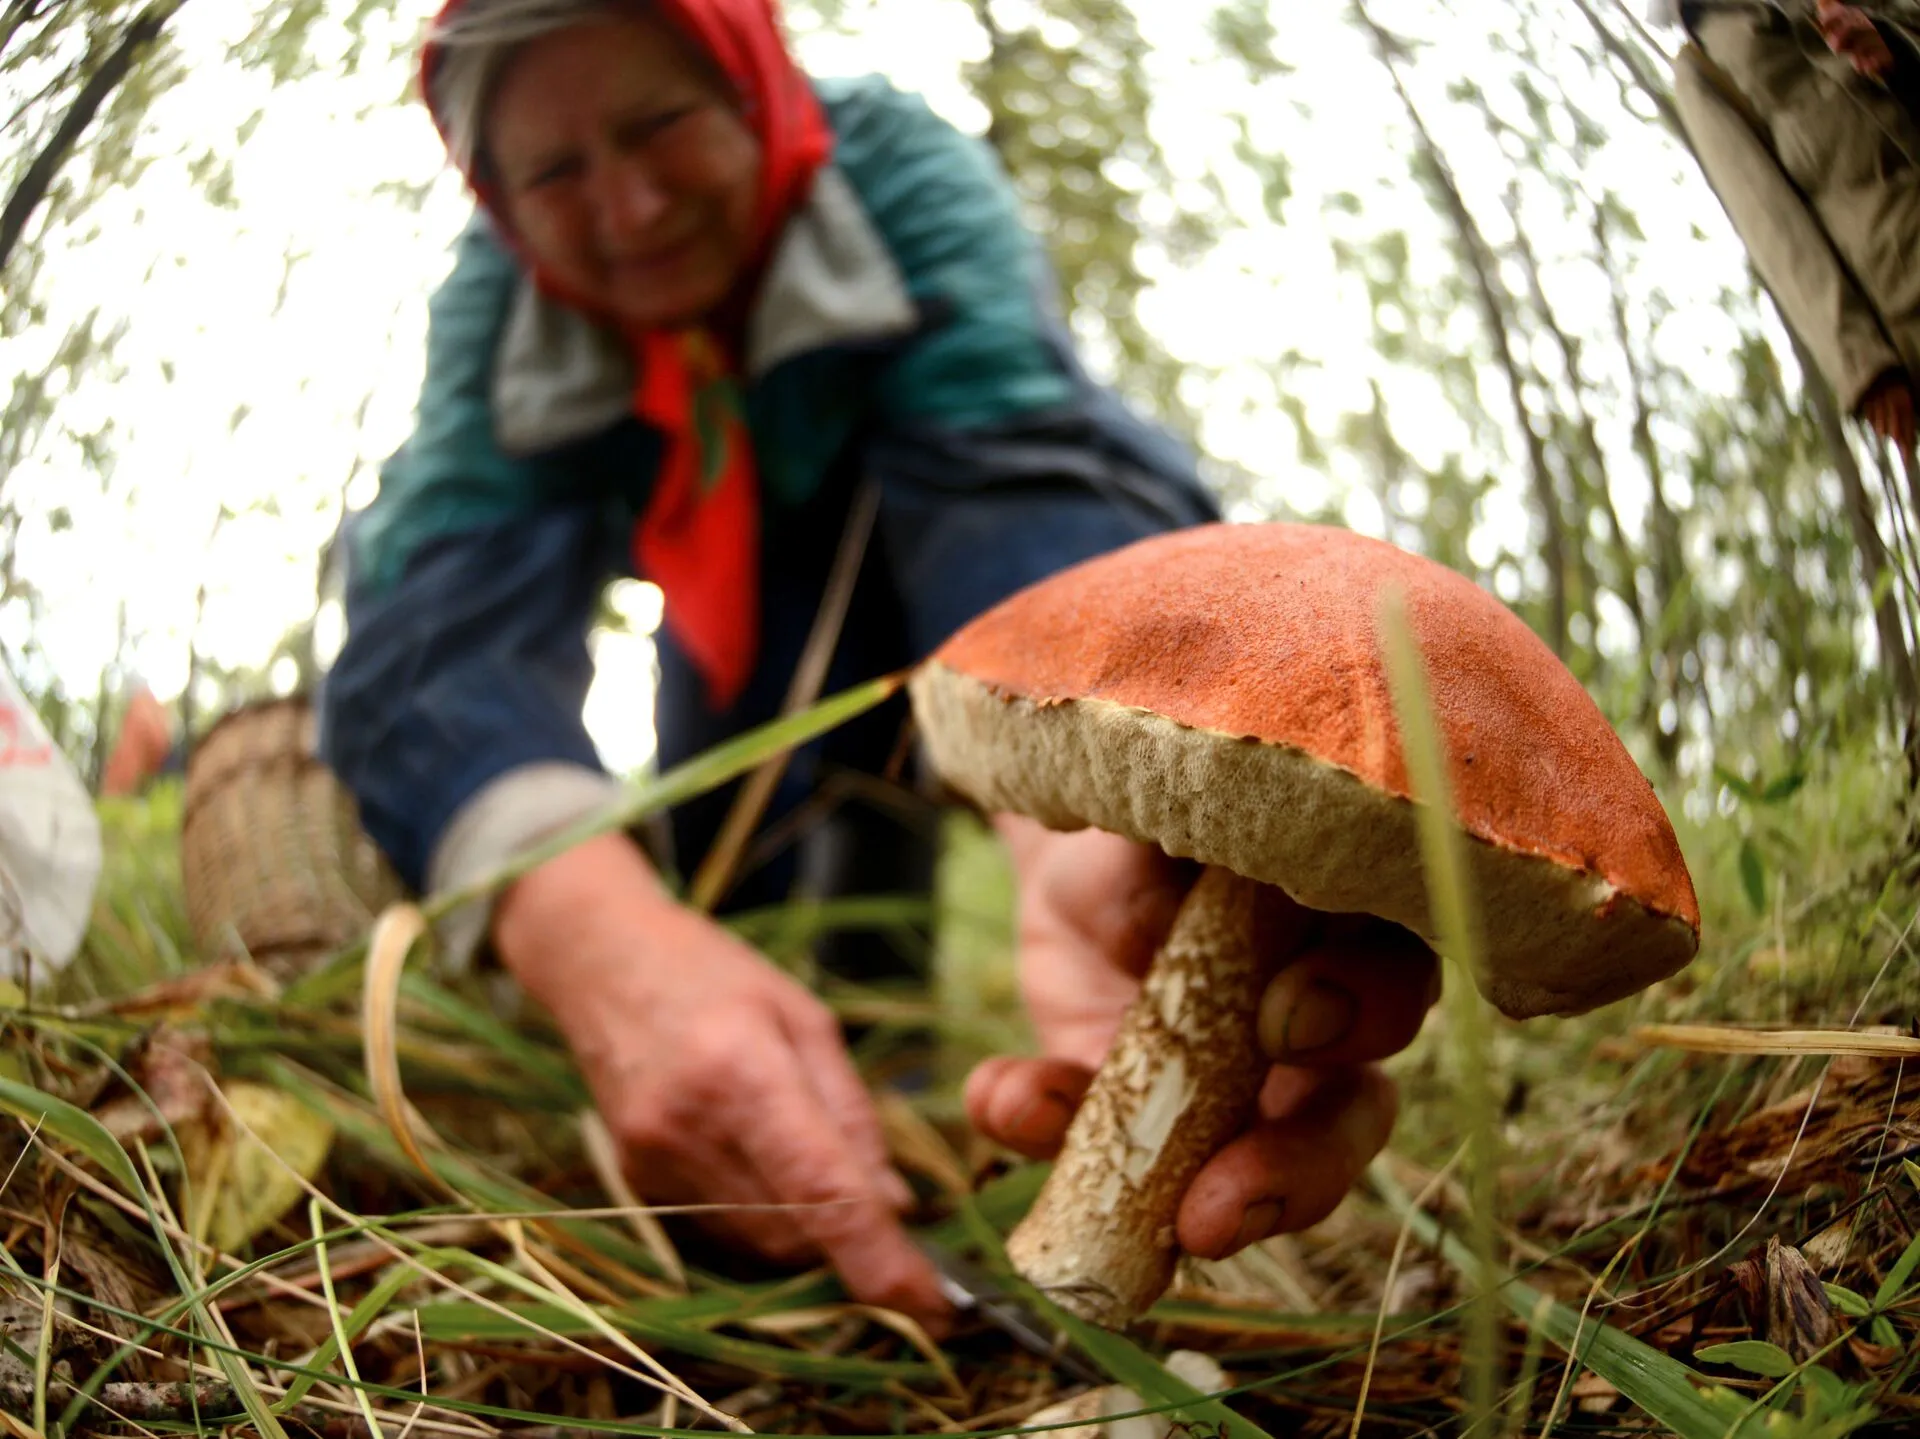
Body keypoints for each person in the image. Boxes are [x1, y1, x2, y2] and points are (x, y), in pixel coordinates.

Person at [318, 0, 1439, 1328]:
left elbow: (1016, 478)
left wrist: (1100, 812)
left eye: (659, 123)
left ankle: (902, 1106)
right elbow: (443, 604)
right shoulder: (499, 300)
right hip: (721, 635)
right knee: (736, 883)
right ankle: (814, 1134)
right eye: (552, 172)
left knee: (875, 809)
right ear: (495, 196)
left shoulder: (895, 174)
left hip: (923, 604)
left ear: (750, 83)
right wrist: (596, 940)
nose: (622, 206)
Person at [1669, 0, 1920, 449]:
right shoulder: (1702, 69)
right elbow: (1773, 227)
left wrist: (1893, 46)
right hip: (1905, 289)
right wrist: (1862, 363)